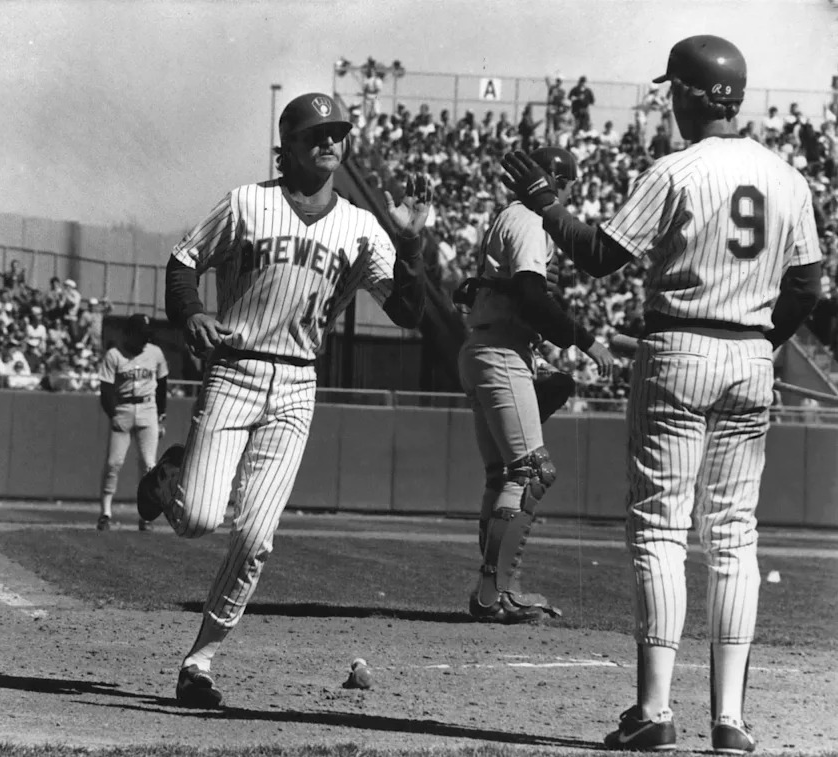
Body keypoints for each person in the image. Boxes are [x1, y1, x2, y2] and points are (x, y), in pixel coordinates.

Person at [500, 35, 822, 754]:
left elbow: (594, 254)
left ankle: (652, 709)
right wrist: (763, 344)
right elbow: (806, 286)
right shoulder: (787, 176)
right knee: (734, 535)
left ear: (684, 92)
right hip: (749, 354)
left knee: (659, 529)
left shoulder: (674, 169)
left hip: (677, 346)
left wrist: (543, 202)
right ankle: (730, 721)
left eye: (669, 89)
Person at [136, 91, 432, 709]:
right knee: (195, 520)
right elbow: (183, 259)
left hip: (297, 384)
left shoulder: (359, 225)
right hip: (235, 371)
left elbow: (407, 311)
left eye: (338, 132)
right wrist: (189, 314)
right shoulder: (248, 203)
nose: (331, 142)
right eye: (316, 133)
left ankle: (200, 661)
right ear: (288, 147)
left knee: (256, 537)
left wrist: (410, 249)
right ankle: (171, 477)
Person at [451, 147, 614, 624]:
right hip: (501, 352)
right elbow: (529, 293)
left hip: (491, 349)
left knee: (503, 476)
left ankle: (494, 591)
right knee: (531, 473)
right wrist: (584, 341)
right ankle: (492, 593)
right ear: (556, 181)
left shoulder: (512, 216)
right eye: (569, 185)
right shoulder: (527, 217)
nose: (569, 196)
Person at [96, 313, 168, 532]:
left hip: (148, 409)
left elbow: (163, 385)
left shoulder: (155, 352)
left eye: (146, 335)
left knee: (149, 465)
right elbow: (105, 389)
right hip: (124, 409)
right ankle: (105, 513)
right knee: (113, 464)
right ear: (129, 333)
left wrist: (162, 415)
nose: (144, 339)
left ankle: (146, 517)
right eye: (140, 334)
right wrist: (113, 413)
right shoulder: (114, 355)